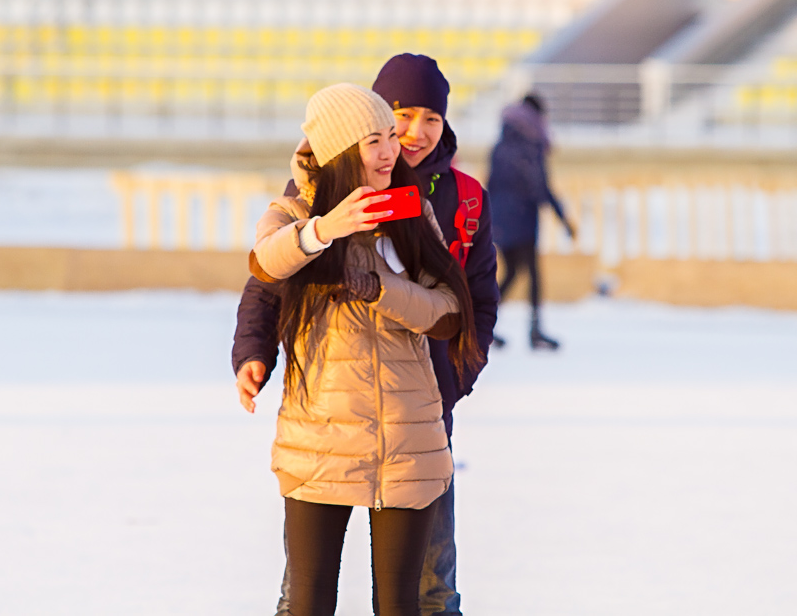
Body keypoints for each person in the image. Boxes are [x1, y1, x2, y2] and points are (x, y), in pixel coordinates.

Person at [233, 54, 499, 616]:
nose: (406, 138)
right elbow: (265, 271)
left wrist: (452, 381)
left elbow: (466, 306)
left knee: (425, 593)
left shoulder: (442, 203)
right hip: (326, 426)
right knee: (305, 597)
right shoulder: (302, 205)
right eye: (393, 122)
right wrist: (253, 351)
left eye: (430, 119)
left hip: (415, 423)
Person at [487, 91, 576, 350]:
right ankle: (535, 331)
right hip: (523, 217)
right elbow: (540, 185)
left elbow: (490, 183)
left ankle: (485, 325)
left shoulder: (500, 144)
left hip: (499, 219)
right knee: (533, 273)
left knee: (512, 271)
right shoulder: (531, 142)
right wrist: (563, 218)